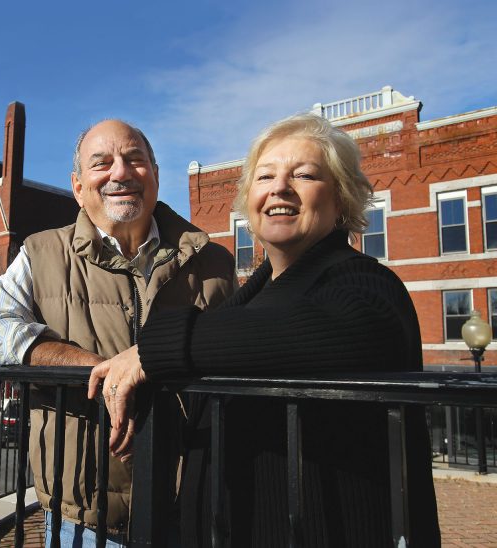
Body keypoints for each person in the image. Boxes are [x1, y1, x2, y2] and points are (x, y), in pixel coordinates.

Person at [88, 113, 441, 546]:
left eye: (305, 175)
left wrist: (151, 350)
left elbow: (338, 331)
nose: (279, 188)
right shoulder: (246, 299)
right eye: (265, 176)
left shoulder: (363, 281)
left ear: (343, 199)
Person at [0, 119, 237, 546]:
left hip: (193, 511)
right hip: (84, 523)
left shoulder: (212, 261)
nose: (120, 173)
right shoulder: (41, 253)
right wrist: (94, 367)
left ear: (155, 174)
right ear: (78, 187)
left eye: (135, 160)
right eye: (102, 163)